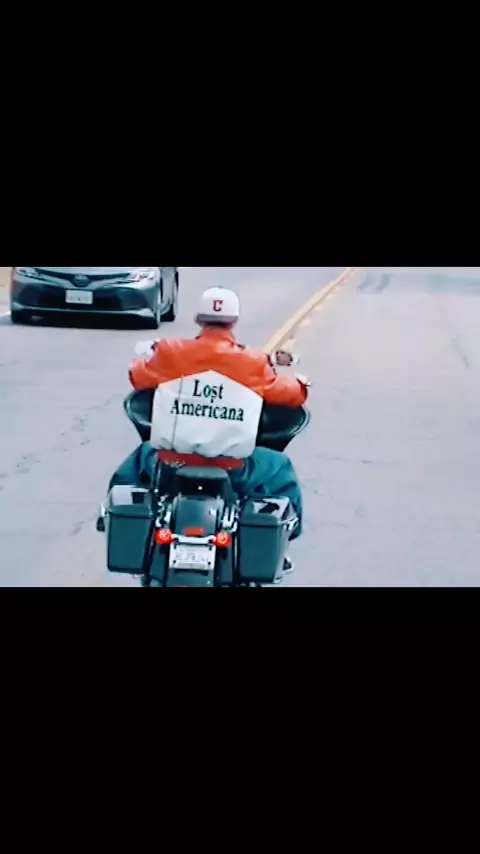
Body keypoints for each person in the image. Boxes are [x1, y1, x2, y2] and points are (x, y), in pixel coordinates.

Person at [105, 287, 309, 570]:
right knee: (279, 466)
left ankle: (112, 520)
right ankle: (283, 541)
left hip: (171, 464)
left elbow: (138, 377)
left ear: (198, 319)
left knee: (137, 461)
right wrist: (300, 383)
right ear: (233, 321)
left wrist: (149, 357)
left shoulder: (170, 352)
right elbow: (290, 395)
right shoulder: (253, 361)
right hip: (233, 468)